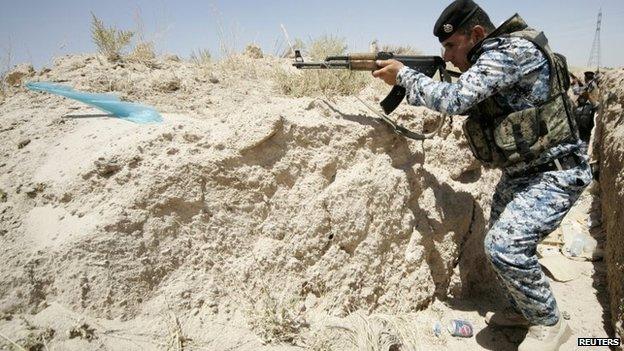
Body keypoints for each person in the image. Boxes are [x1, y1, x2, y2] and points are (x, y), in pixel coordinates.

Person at [371, 1, 592, 350]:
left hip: (555, 173)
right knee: (499, 248)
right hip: (522, 173)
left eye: (450, 45)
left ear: (476, 35)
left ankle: (549, 322)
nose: (445, 57)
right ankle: (524, 309)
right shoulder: (493, 57)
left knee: (504, 247)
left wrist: (404, 75)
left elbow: (456, 99)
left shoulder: (510, 52)